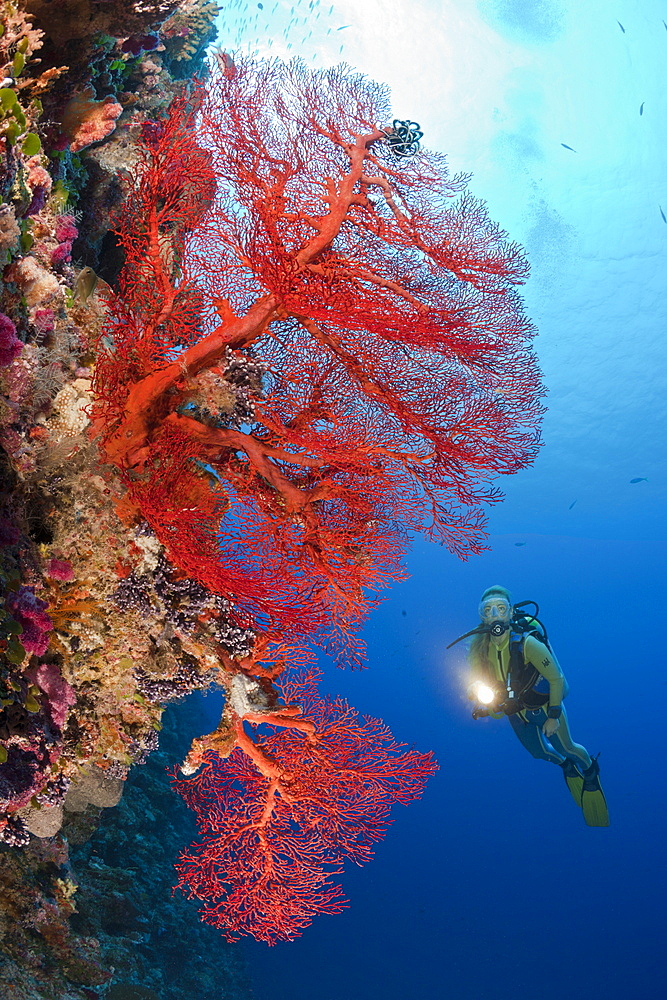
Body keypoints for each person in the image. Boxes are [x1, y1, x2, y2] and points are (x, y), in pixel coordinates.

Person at [460, 585, 608, 826]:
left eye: (500, 608)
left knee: (569, 746)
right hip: (515, 712)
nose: (495, 614)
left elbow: (557, 678)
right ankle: (565, 765)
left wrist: (554, 715)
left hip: (544, 707)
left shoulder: (528, 643)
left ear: (510, 612)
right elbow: (477, 680)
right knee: (539, 753)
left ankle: (590, 770)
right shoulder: (480, 649)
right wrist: (475, 692)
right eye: (488, 610)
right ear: (482, 616)